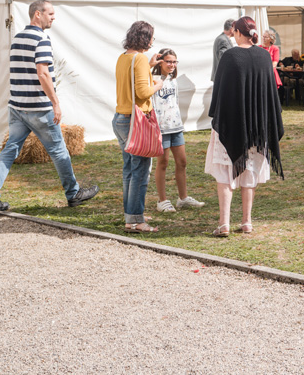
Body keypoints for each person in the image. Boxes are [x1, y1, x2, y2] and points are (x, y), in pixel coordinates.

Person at [0, 1, 99, 217]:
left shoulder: (17, 38)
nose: (53, 17)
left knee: (9, 152)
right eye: (50, 13)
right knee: (59, 151)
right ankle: (73, 194)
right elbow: (42, 73)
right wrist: (55, 102)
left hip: (17, 107)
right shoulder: (42, 39)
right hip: (38, 108)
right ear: (38, 14)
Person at [205, 16, 284, 237]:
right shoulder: (263, 56)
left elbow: (220, 91)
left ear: (237, 32)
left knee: (225, 172)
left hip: (232, 122)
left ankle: (224, 223)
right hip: (257, 126)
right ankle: (247, 222)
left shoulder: (230, 56)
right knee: (249, 172)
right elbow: (270, 93)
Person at [113, 21, 162, 233]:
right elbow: (142, 92)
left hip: (121, 118)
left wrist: (148, 66)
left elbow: (130, 80)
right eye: (151, 37)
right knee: (140, 171)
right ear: (144, 38)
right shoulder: (139, 59)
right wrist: (158, 84)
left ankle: (131, 213)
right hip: (136, 120)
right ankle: (135, 220)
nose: (152, 41)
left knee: (129, 170)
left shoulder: (125, 57)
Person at [151, 49, 206, 214]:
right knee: (163, 163)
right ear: (160, 62)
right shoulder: (152, 80)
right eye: (168, 61)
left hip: (176, 127)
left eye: (174, 62)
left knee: (182, 162)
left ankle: (183, 198)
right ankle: (162, 200)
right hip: (161, 128)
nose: (172, 65)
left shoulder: (173, 81)